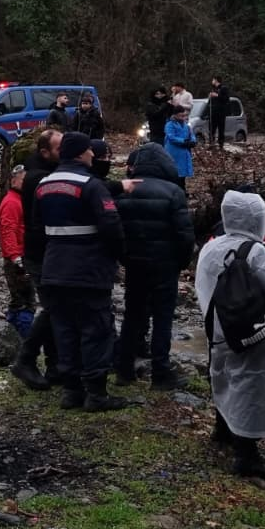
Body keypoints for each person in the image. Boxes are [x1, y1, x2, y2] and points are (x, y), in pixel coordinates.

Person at [194, 189, 265, 478]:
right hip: (251, 329)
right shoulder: (256, 251)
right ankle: (247, 454)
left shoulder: (210, 247)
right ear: (258, 219)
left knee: (223, 374)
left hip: (217, 327)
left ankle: (223, 430)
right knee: (251, 383)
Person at [36, 131, 132, 412]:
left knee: (65, 331)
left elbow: (37, 227)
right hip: (89, 271)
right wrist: (120, 258)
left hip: (54, 268)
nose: (93, 154)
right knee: (96, 330)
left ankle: (71, 391)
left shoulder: (43, 185)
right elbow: (112, 227)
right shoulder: (91, 185)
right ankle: (97, 394)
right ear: (80, 153)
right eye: (90, 150)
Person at [114, 144, 194, 389]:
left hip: (135, 264)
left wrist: (125, 258)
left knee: (133, 315)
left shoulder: (124, 191)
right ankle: (160, 372)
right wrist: (181, 263)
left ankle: (124, 370)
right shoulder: (173, 192)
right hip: (165, 265)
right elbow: (185, 234)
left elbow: (117, 232)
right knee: (162, 318)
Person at [11, 129, 63, 391]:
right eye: (58, 148)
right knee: (53, 306)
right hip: (40, 251)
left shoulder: (40, 170)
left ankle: (55, 365)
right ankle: (26, 359)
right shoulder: (39, 177)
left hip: (43, 250)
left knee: (54, 307)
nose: (63, 152)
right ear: (45, 152)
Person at [0, 164, 33, 338]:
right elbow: (8, 231)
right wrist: (16, 258)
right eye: (23, 180)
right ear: (13, 181)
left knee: (19, 300)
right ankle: (23, 340)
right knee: (25, 302)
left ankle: (9, 336)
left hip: (21, 255)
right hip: (17, 258)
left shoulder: (20, 200)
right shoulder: (12, 202)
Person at [164, 105, 197, 189]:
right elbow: (171, 137)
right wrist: (183, 141)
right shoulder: (169, 124)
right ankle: (176, 190)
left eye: (184, 115)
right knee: (175, 173)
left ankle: (182, 189)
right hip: (174, 152)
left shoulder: (186, 125)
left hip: (184, 152)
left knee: (182, 174)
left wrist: (193, 141)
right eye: (181, 115)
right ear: (175, 115)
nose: (183, 117)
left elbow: (191, 134)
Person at [207, 76, 233, 149]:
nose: (212, 81)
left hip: (221, 112)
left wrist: (217, 95)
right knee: (212, 128)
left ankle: (221, 144)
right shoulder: (213, 89)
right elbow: (210, 102)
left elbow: (226, 99)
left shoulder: (223, 88)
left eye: (213, 80)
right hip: (213, 112)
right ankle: (211, 143)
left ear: (216, 80)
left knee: (221, 128)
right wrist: (210, 97)